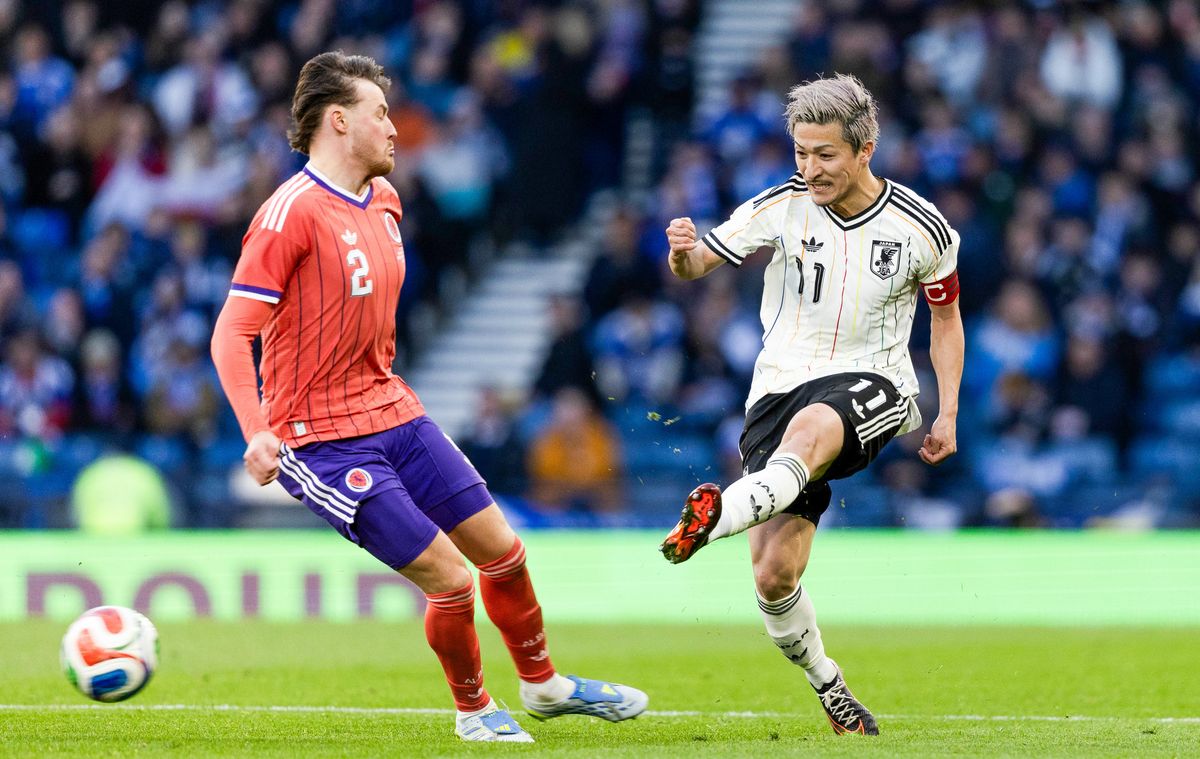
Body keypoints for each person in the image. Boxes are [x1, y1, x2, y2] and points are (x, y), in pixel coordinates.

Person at [210, 51, 646, 744]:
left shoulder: (385, 199)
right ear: (338, 120)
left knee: (504, 551)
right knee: (450, 576)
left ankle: (544, 685)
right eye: (381, 114)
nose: (395, 128)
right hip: (319, 440)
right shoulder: (287, 215)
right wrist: (256, 428)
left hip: (394, 411)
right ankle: (474, 711)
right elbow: (232, 334)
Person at [658, 74, 964, 736]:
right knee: (774, 575)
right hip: (777, 386)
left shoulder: (924, 228)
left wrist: (947, 411)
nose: (810, 168)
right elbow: (697, 266)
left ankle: (714, 517)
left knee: (813, 429)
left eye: (825, 154)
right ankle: (831, 687)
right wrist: (681, 254)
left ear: (865, 149)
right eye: (800, 152)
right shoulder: (780, 205)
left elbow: (945, 320)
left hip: (875, 381)